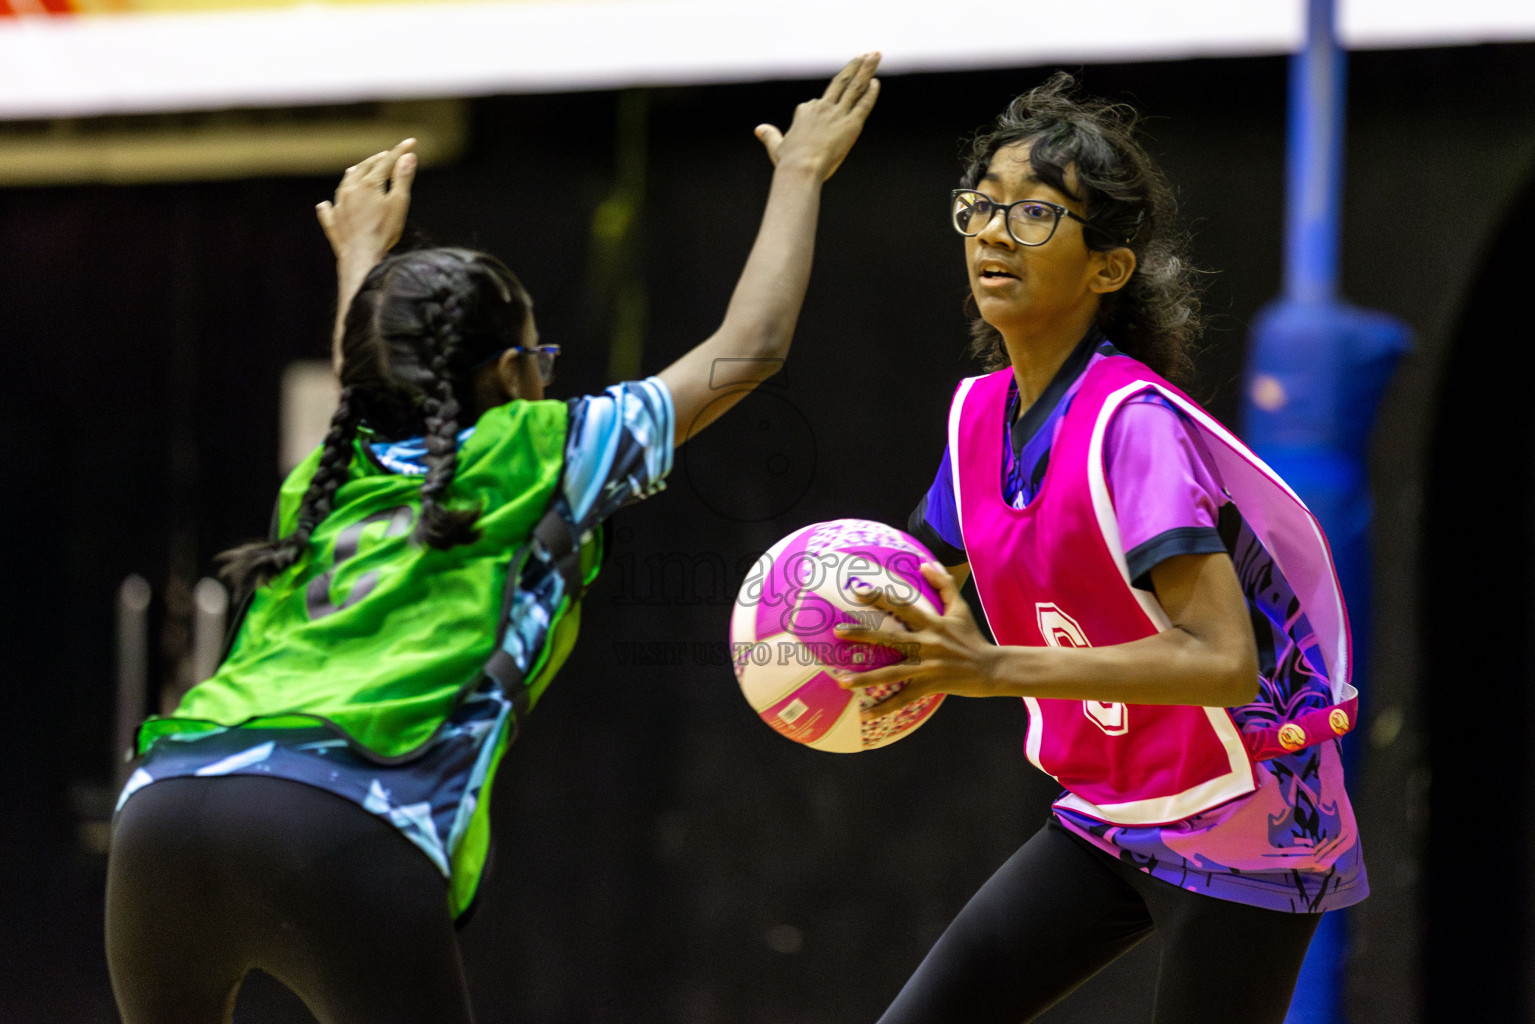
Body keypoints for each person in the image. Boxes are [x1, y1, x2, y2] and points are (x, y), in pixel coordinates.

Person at [104, 53, 881, 1024]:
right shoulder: (545, 447)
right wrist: (801, 173)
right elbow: (751, 344)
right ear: (513, 368)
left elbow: (375, 370)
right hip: (344, 816)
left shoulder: (326, 473)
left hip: (167, 804)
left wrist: (359, 258)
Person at [831, 73, 1366, 1024]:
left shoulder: (1133, 427)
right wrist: (817, 639)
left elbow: (1221, 658)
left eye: (1035, 213)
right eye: (982, 207)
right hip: (1117, 810)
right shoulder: (979, 419)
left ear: (1106, 268)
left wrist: (990, 666)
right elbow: (908, 582)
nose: (994, 232)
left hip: (1253, 818)